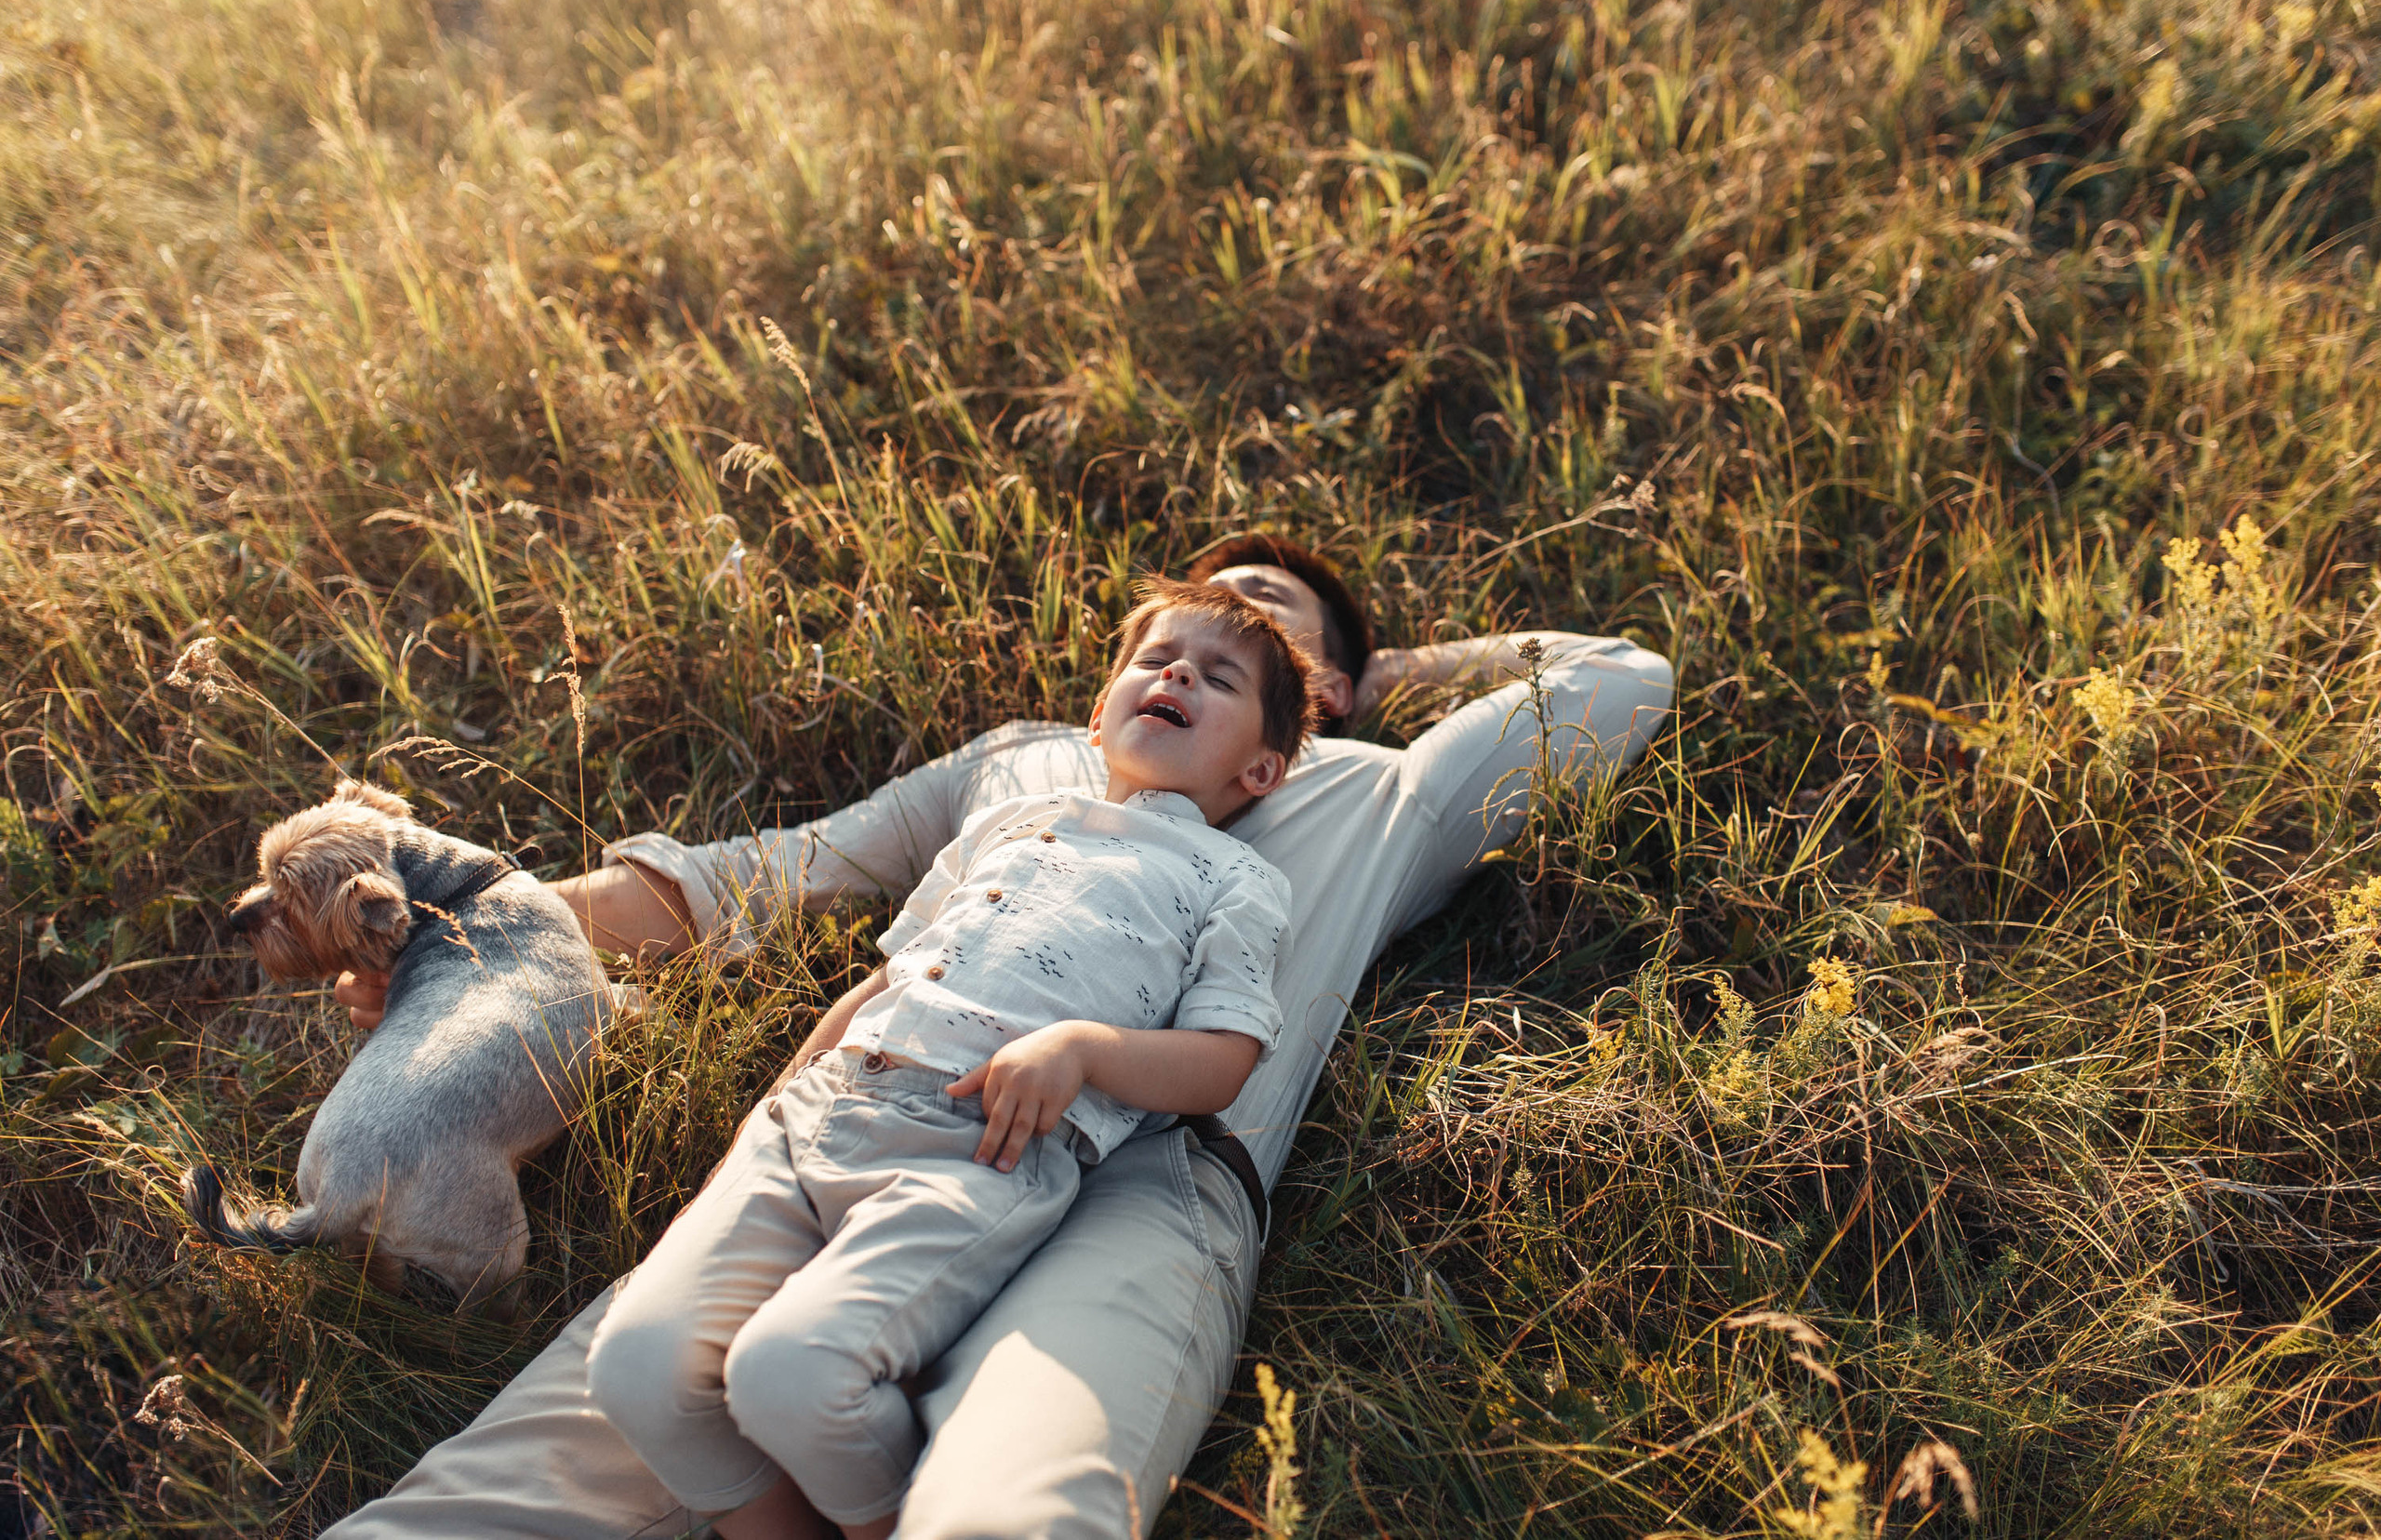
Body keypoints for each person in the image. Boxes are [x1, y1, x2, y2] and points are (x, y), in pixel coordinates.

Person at [324, 535, 1675, 1540]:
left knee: (1012, 1504)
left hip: (1149, 1177)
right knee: (589, 1423)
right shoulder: (1020, 761)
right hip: (875, 1114)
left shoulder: (1379, 794)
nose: (1211, 630)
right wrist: (470, 942)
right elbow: (755, 874)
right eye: (1179, 619)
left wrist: (1383, 676)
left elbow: (1621, 681)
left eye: (1259, 616)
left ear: (1306, 689)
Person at [583, 580, 1313, 1539]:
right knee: (635, 1366)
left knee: (790, 1373)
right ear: (1098, 717)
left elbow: (1223, 1059)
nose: (1176, 672)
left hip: (979, 1148)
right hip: (820, 1114)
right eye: (1154, 659)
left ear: (1260, 772)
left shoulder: (1234, 879)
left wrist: (1080, 1050)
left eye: (1217, 677)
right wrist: (769, 1110)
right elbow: (885, 983)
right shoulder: (1006, 824)